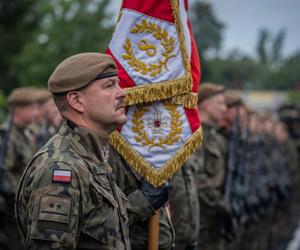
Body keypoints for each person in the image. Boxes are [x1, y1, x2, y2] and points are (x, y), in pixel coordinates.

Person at [16, 52, 131, 249]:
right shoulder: (60, 168)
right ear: (77, 101)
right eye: (109, 85)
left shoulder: (91, 157)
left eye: (118, 84)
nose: (122, 93)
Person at [190, 83, 233, 250]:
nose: (224, 109)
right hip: (203, 218)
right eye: (220, 103)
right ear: (205, 104)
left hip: (213, 218)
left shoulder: (213, 134)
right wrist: (219, 203)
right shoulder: (196, 134)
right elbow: (197, 177)